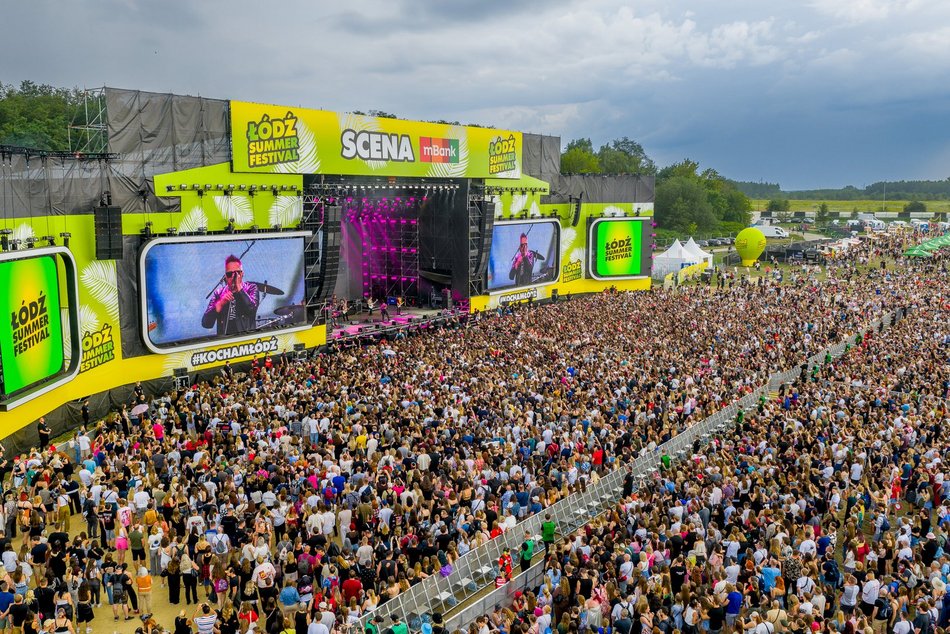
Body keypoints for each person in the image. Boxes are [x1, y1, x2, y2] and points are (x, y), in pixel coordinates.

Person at [201, 254, 261, 336]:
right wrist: (219, 305)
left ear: (242, 274)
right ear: (225, 276)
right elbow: (206, 324)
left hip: (246, 341)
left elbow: (251, 310)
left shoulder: (251, 288)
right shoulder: (219, 293)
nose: (233, 277)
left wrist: (239, 288)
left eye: (236, 273)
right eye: (230, 274)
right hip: (226, 342)